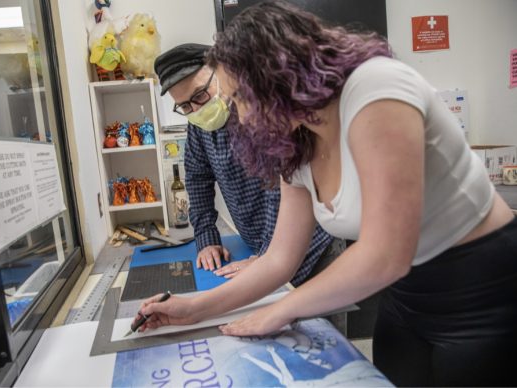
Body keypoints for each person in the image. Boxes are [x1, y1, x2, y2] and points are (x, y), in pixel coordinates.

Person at [136, 2, 517, 386]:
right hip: (405, 296)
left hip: (480, 286)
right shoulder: (295, 142)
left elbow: (385, 255)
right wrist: (194, 309)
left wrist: (281, 310)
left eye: (241, 99)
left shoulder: (375, 88)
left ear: (277, 75)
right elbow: (279, 260)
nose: (244, 117)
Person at [154, 43, 337, 287]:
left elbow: (280, 189)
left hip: (313, 248)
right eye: (185, 106)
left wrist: (268, 257)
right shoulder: (199, 125)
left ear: (220, 73)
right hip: (261, 248)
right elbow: (198, 177)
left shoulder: (260, 112)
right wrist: (206, 238)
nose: (196, 110)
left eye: (200, 95)